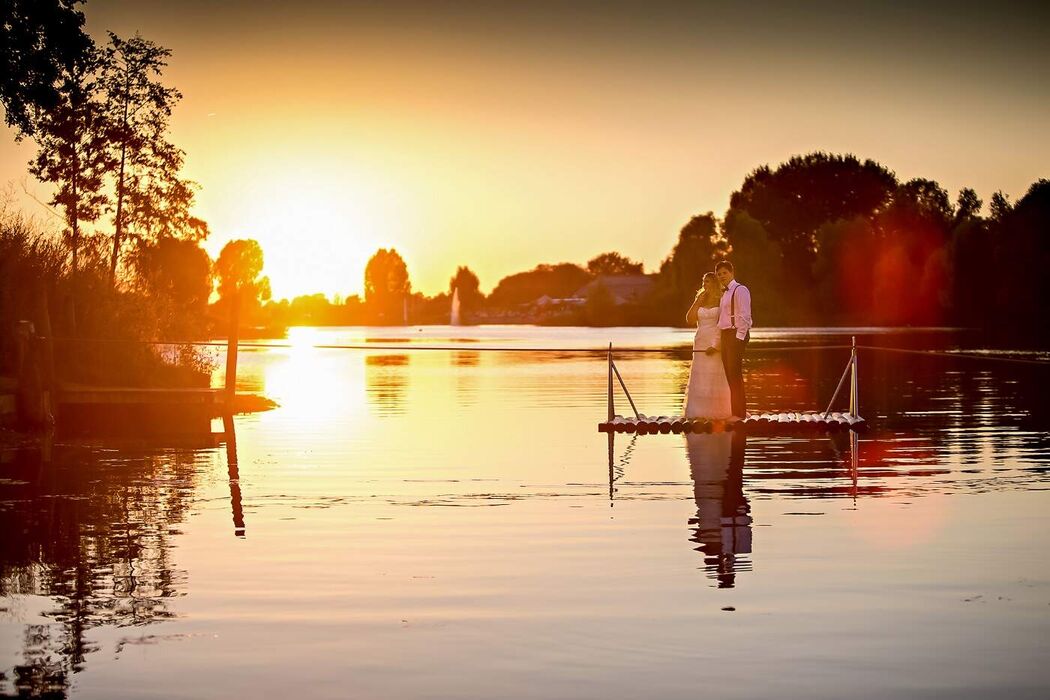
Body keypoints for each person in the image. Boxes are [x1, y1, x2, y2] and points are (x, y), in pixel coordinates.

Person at [683, 272, 732, 419]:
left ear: (715, 283)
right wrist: (697, 301)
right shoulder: (701, 300)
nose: (705, 285)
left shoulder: (722, 299)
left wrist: (716, 345)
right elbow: (689, 320)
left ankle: (718, 411)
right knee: (700, 375)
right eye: (704, 283)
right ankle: (698, 411)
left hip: (714, 341)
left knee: (714, 375)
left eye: (708, 282)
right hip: (700, 340)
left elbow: (722, 325)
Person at [715, 260, 752, 420]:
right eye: (719, 274)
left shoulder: (740, 290)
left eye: (724, 272)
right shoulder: (724, 294)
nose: (721, 276)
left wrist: (739, 337)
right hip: (726, 335)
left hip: (736, 334)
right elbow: (722, 318)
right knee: (729, 374)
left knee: (735, 374)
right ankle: (735, 413)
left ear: (731, 273)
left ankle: (740, 414)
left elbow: (745, 315)